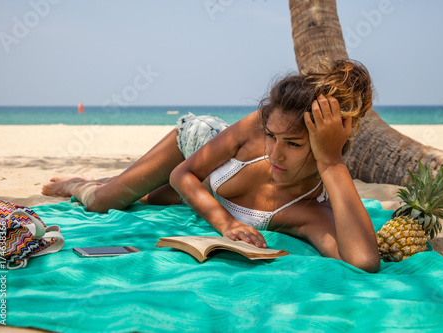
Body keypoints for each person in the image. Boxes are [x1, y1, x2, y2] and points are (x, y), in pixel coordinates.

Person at [42, 58, 380, 272]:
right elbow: (183, 173)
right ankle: (78, 183)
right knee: (104, 200)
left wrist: (333, 163)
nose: (276, 153)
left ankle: (117, 178)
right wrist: (226, 224)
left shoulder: (308, 211)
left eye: (293, 144)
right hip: (200, 145)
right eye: (272, 136)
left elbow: (363, 261)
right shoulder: (257, 126)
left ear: (326, 147)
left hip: (208, 187)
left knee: (151, 197)